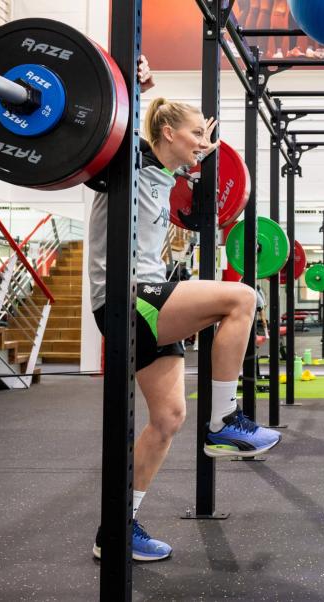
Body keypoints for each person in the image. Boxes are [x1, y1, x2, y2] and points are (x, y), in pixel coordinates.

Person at [88, 96, 281, 562]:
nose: (204, 141)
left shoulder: (168, 176)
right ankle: (223, 421)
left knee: (169, 418)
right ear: (167, 132)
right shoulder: (127, 160)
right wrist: (139, 81)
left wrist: (203, 159)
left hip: (149, 298)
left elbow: (199, 191)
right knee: (242, 296)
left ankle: (115, 529)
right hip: (125, 297)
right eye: (196, 133)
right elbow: (114, 117)